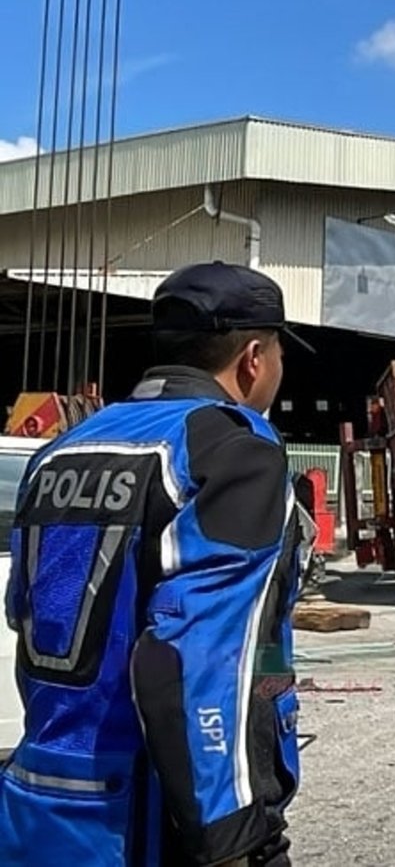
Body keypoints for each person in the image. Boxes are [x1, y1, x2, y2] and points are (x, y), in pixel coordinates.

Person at [1, 261, 313, 866]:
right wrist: (227, 836)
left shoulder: (63, 449)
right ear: (253, 358)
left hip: (43, 800)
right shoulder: (232, 451)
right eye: (278, 354)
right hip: (157, 818)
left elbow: (26, 613)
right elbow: (197, 655)